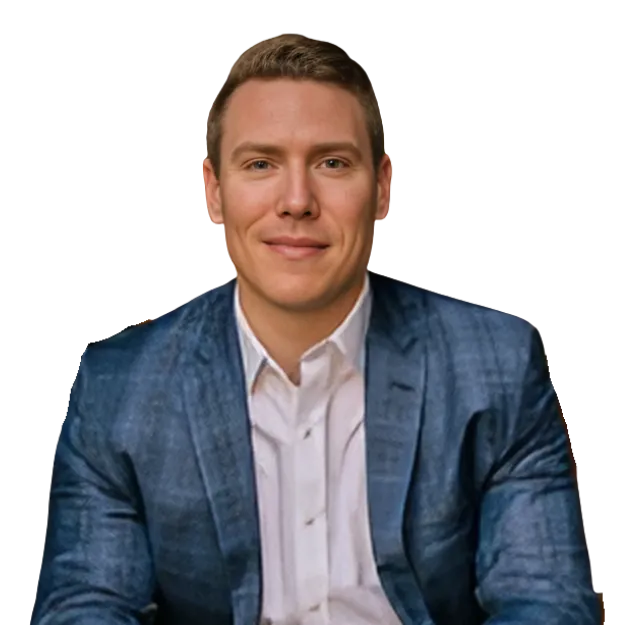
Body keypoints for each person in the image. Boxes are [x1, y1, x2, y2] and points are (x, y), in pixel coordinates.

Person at [32, 32, 599, 624]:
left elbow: (547, 605)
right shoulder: (119, 388)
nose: (297, 201)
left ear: (381, 190)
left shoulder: (494, 366)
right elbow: (86, 608)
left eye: (332, 163)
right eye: (261, 164)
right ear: (214, 194)